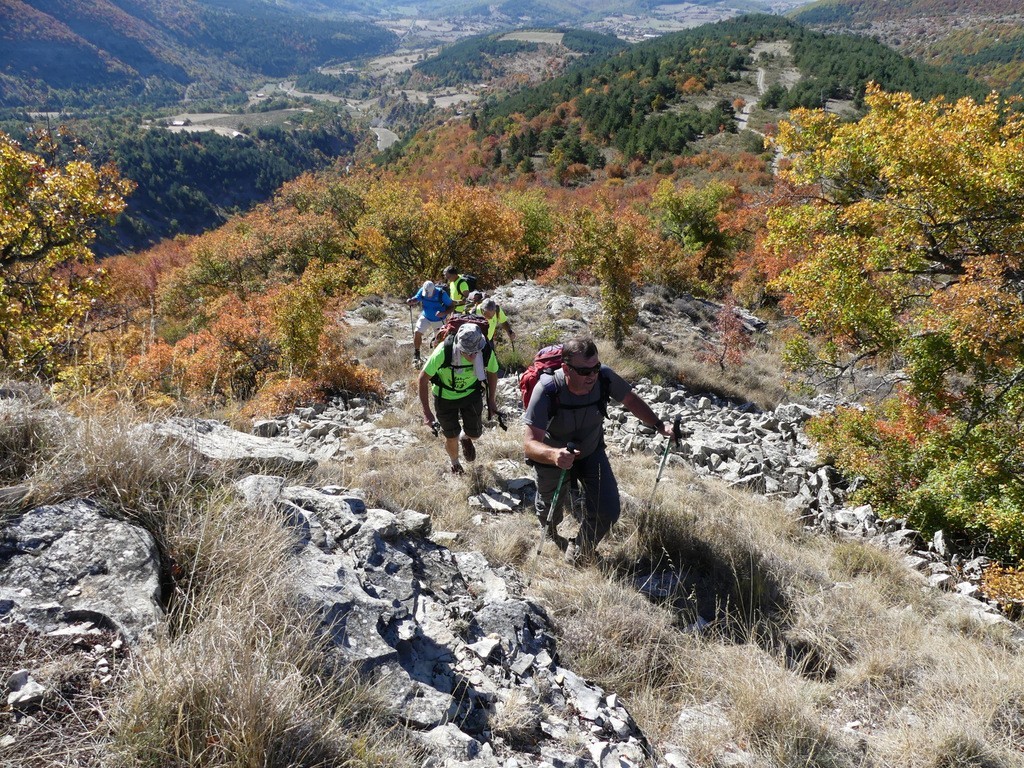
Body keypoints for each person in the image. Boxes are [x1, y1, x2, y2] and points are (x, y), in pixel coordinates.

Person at [523, 336, 673, 564]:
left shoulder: (604, 377)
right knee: (550, 512)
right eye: (584, 371)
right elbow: (530, 443)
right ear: (566, 368)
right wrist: (554, 455)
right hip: (553, 457)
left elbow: (631, 401)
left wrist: (660, 426)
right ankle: (551, 531)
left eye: (594, 368)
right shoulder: (547, 389)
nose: (592, 375)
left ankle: (581, 550)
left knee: (608, 509)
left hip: (591, 451)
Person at [420, 324, 499, 474]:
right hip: (445, 397)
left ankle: (466, 437)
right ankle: (455, 463)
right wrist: (427, 412)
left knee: (475, 434)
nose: (473, 356)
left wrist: (492, 400)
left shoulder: (485, 349)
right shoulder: (444, 351)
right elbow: (422, 379)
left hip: (471, 394)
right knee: (451, 436)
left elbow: (493, 373)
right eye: (467, 352)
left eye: (475, 351)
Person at [406, 280, 452, 365]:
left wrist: (444, 313)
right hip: (425, 317)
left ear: (434, 289)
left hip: (439, 320)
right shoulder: (422, 290)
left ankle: (437, 359)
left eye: (429, 293)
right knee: (417, 332)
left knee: (439, 341)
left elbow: (451, 306)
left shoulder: (442, 294)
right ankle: (417, 354)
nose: (427, 295)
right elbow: (417, 298)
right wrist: (411, 301)